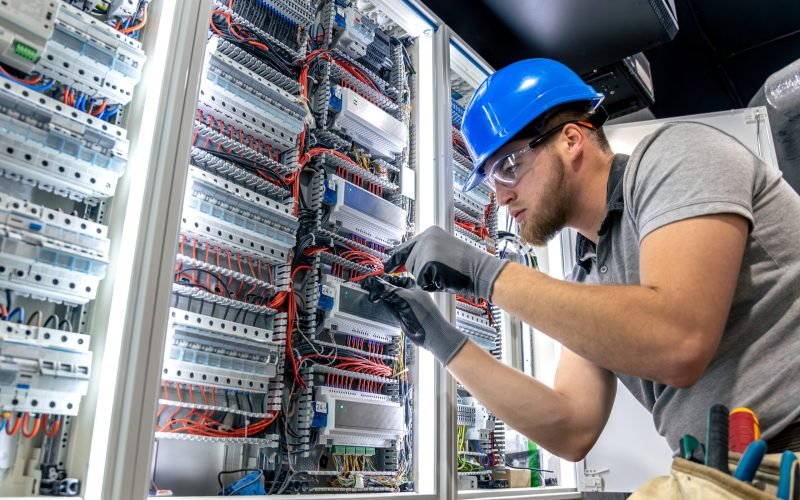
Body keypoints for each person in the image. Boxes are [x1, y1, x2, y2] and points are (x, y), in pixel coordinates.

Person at [363, 58, 800, 459]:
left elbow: (679, 339)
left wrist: (484, 273)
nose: (500, 197)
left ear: (572, 138)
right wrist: (441, 339)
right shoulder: (591, 271)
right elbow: (571, 428)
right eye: (491, 179)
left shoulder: (677, 156)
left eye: (509, 167)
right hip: (723, 472)